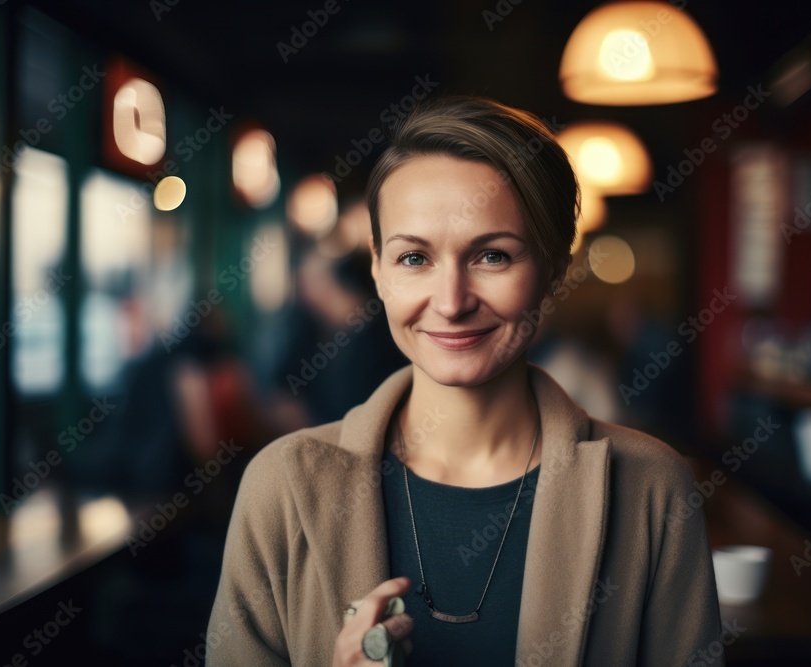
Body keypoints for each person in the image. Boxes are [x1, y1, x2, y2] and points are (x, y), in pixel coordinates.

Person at [206, 95, 723, 666]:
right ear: (377, 268)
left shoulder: (653, 489)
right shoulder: (281, 486)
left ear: (554, 269)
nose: (451, 303)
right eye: (413, 259)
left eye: (493, 256)